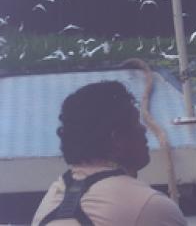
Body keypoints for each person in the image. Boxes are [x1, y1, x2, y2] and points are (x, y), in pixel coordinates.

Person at [32, 80, 187, 226]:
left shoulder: (51, 200)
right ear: (117, 139)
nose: (143, 129)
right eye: (135, 123)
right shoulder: (151, 206)